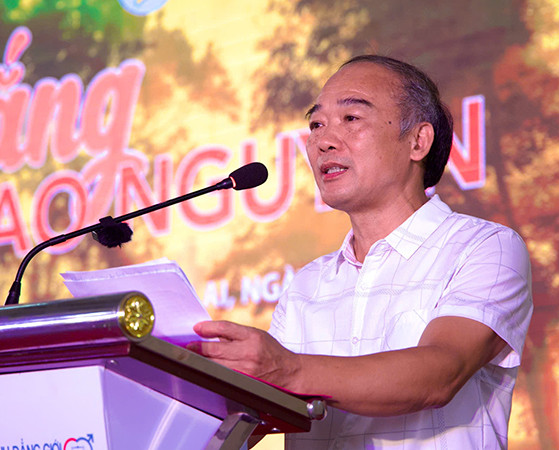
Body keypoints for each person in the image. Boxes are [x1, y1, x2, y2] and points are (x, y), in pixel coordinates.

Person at [187, 55, 533, 449]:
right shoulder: (307, 285)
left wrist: (288, 369)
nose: (323, 141)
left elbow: (440, 374)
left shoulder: (485, 247)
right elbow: (252, 420)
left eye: (351, 118)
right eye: (316, 125)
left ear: (418, 141)